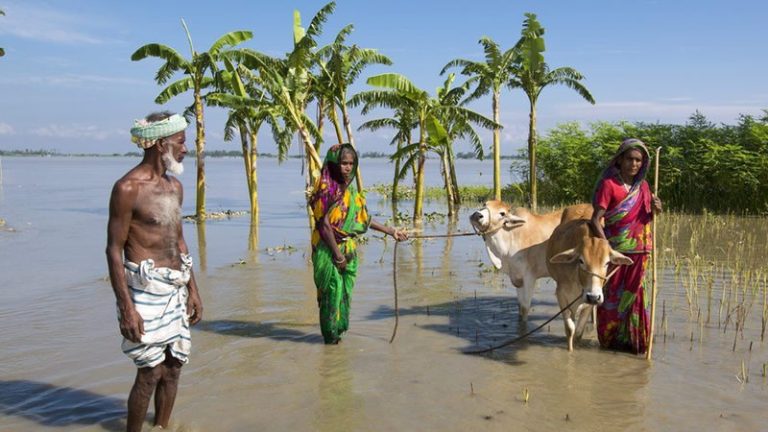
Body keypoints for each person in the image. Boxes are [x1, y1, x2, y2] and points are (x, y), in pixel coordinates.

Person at [106, 111, 203, 431]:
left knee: (174, 366)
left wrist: (193, 290)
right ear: (161, 144)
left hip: (175, 289)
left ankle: (161, 428)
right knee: (149, 373)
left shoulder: (175, 187)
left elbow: (179, 241)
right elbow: (113, 249)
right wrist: (126, 308)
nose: (185, 148)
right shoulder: (127, 188)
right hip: (145, 291)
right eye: (181, 141)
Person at [309, 143, 407, 344]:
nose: (347, 167)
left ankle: (337, 342)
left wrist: (391, 231)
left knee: (345, 294)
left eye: (351, 163)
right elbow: (324, 225)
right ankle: (330, 340)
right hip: (328, 250)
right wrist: (337, 255)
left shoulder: (351, 191)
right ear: (335, 163)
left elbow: (363, 219)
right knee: (332, 292)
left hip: (348, 249)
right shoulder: (326, 187)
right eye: (344, 163)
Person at [590, 138, 662, 355]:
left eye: (638, 160)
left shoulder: (645, 187)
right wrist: (606, 249)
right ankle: (610, 341)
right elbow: (595, 220)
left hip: (641, 252)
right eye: (629, 158)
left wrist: (658, 208)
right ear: (619, 160)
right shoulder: (609, 185)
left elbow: (646, 216)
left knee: (636, 296)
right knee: (612, 296)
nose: (634, 163)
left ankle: (635, 343)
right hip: (616, 253)